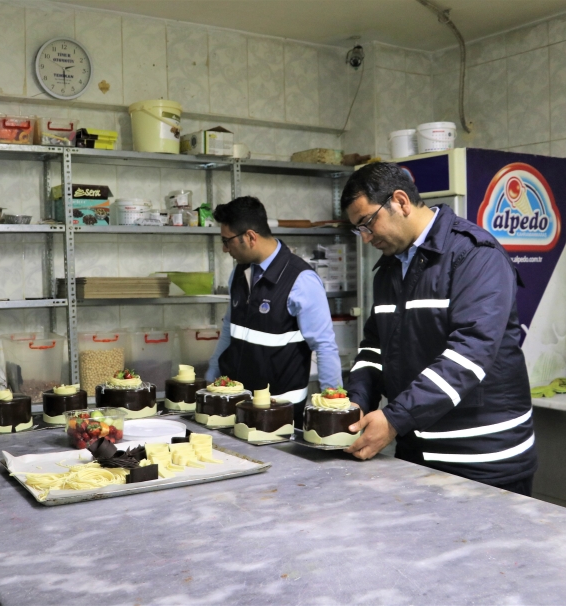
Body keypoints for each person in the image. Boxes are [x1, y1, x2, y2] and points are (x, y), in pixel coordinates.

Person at [341, 163, 537, 496]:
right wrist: (357, 403)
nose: (366, 238)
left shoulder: (474, 256)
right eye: (358, 230)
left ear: (400, 201)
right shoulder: (388, 270)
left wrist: (394, 419)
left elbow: (469, 354)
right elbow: (375, 348)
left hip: (484, 461)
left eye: (368, 223)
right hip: (415, 456)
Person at [207, 196, 343, 418]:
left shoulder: (301, 280)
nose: (224, 249)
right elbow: (229, 330)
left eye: (227, 241)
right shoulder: (239, 274)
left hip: (281, 410)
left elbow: (324, 346)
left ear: (250, 237)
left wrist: (332, 409)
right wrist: (212, 374)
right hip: (238, 403)